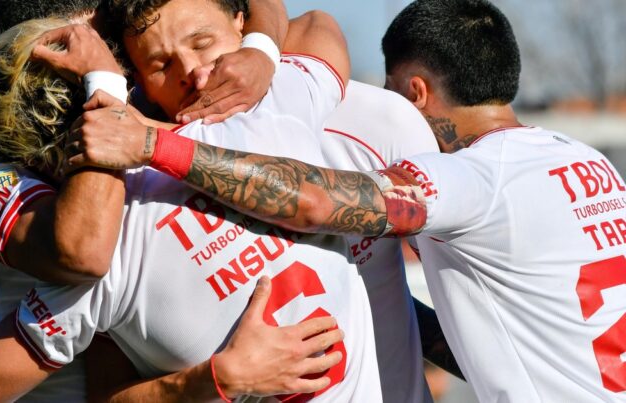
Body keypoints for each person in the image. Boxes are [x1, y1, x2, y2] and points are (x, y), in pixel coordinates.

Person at [82, 0, 626, 401]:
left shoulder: (452, 169)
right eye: (161, 65)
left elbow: (317, 201)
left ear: (412, 93)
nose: (194, 72)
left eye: (202, 43)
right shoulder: (585, 161)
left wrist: (153, 144)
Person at [0, 5, 365, 402]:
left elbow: (308, 24)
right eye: (90, 52)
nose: (113, 62)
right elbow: (84, 252)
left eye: (111, 54)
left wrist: (260, 54)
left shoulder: (168, 130)